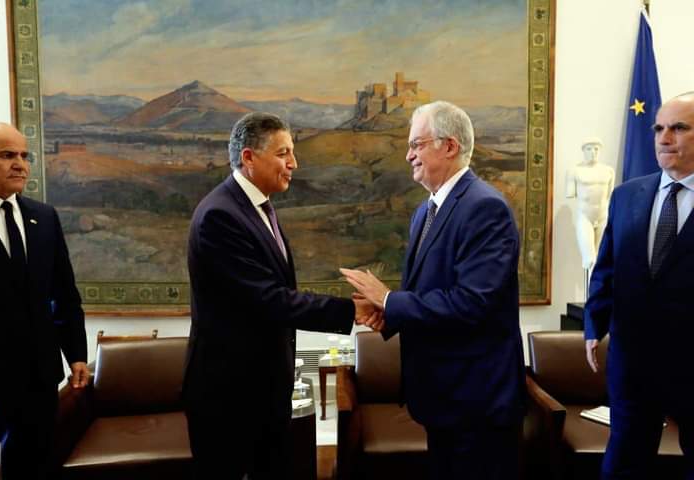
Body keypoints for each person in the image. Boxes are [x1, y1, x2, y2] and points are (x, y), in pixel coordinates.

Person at [182, 112, 377, 479]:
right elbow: (270, 299)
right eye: (283, 153)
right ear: (249, 157)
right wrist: (351, 310)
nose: (293, 163)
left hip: (263, 385)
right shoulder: (221, 216)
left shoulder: (254, 208)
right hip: (229, 393)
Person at [341, 101, 526, 479]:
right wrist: (388, 313)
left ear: (450, 146)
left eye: (417, 145)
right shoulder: (425, 211)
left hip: (475, 401)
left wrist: (389, 299)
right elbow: (430, 290)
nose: (408, 155)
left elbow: (471, 303)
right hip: (442, 397)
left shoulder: (485, 207)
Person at [585, 92, 694, 478]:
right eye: (659, 128)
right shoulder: (627, 195)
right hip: (633, 362)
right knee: (624, 462)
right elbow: (606, 268)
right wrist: (593, 326)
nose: (665, 138)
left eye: (679, 128)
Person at [0, 122, 88, 479]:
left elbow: (64, 293)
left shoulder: (44, 217)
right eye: (7, 155)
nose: (20, 165)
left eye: (25, 156)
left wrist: (77, 354)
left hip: (39, 382)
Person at [565, 137, 615, 269]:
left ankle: (594, 284)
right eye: (589, 149)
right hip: (584, 217)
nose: (593, 152)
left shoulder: (608, 171)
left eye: (596, 149)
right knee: (589, 259)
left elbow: (609, 195)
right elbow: (570, 193)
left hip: (603, 216)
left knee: (600, 259)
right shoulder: (575, 171)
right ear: (583, 150)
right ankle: (590, 282)